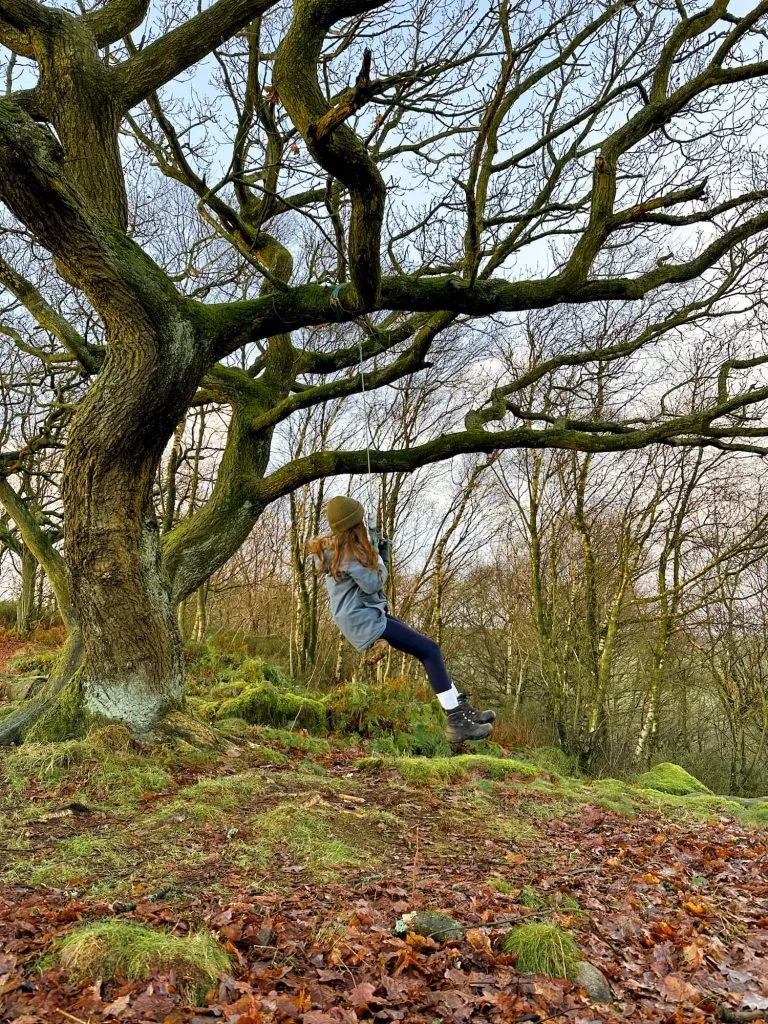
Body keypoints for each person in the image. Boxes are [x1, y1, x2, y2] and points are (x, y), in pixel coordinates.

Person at [309, 495, 495, 743]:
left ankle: (458, 707)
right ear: (353, 525)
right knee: (429, 650)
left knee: (429, 648)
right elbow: (374, 581)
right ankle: (456, 721)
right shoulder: (348, 555)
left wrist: (376, 548)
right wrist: (379, 551)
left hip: (363, 615)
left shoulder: (337, 548)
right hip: (363, 620)